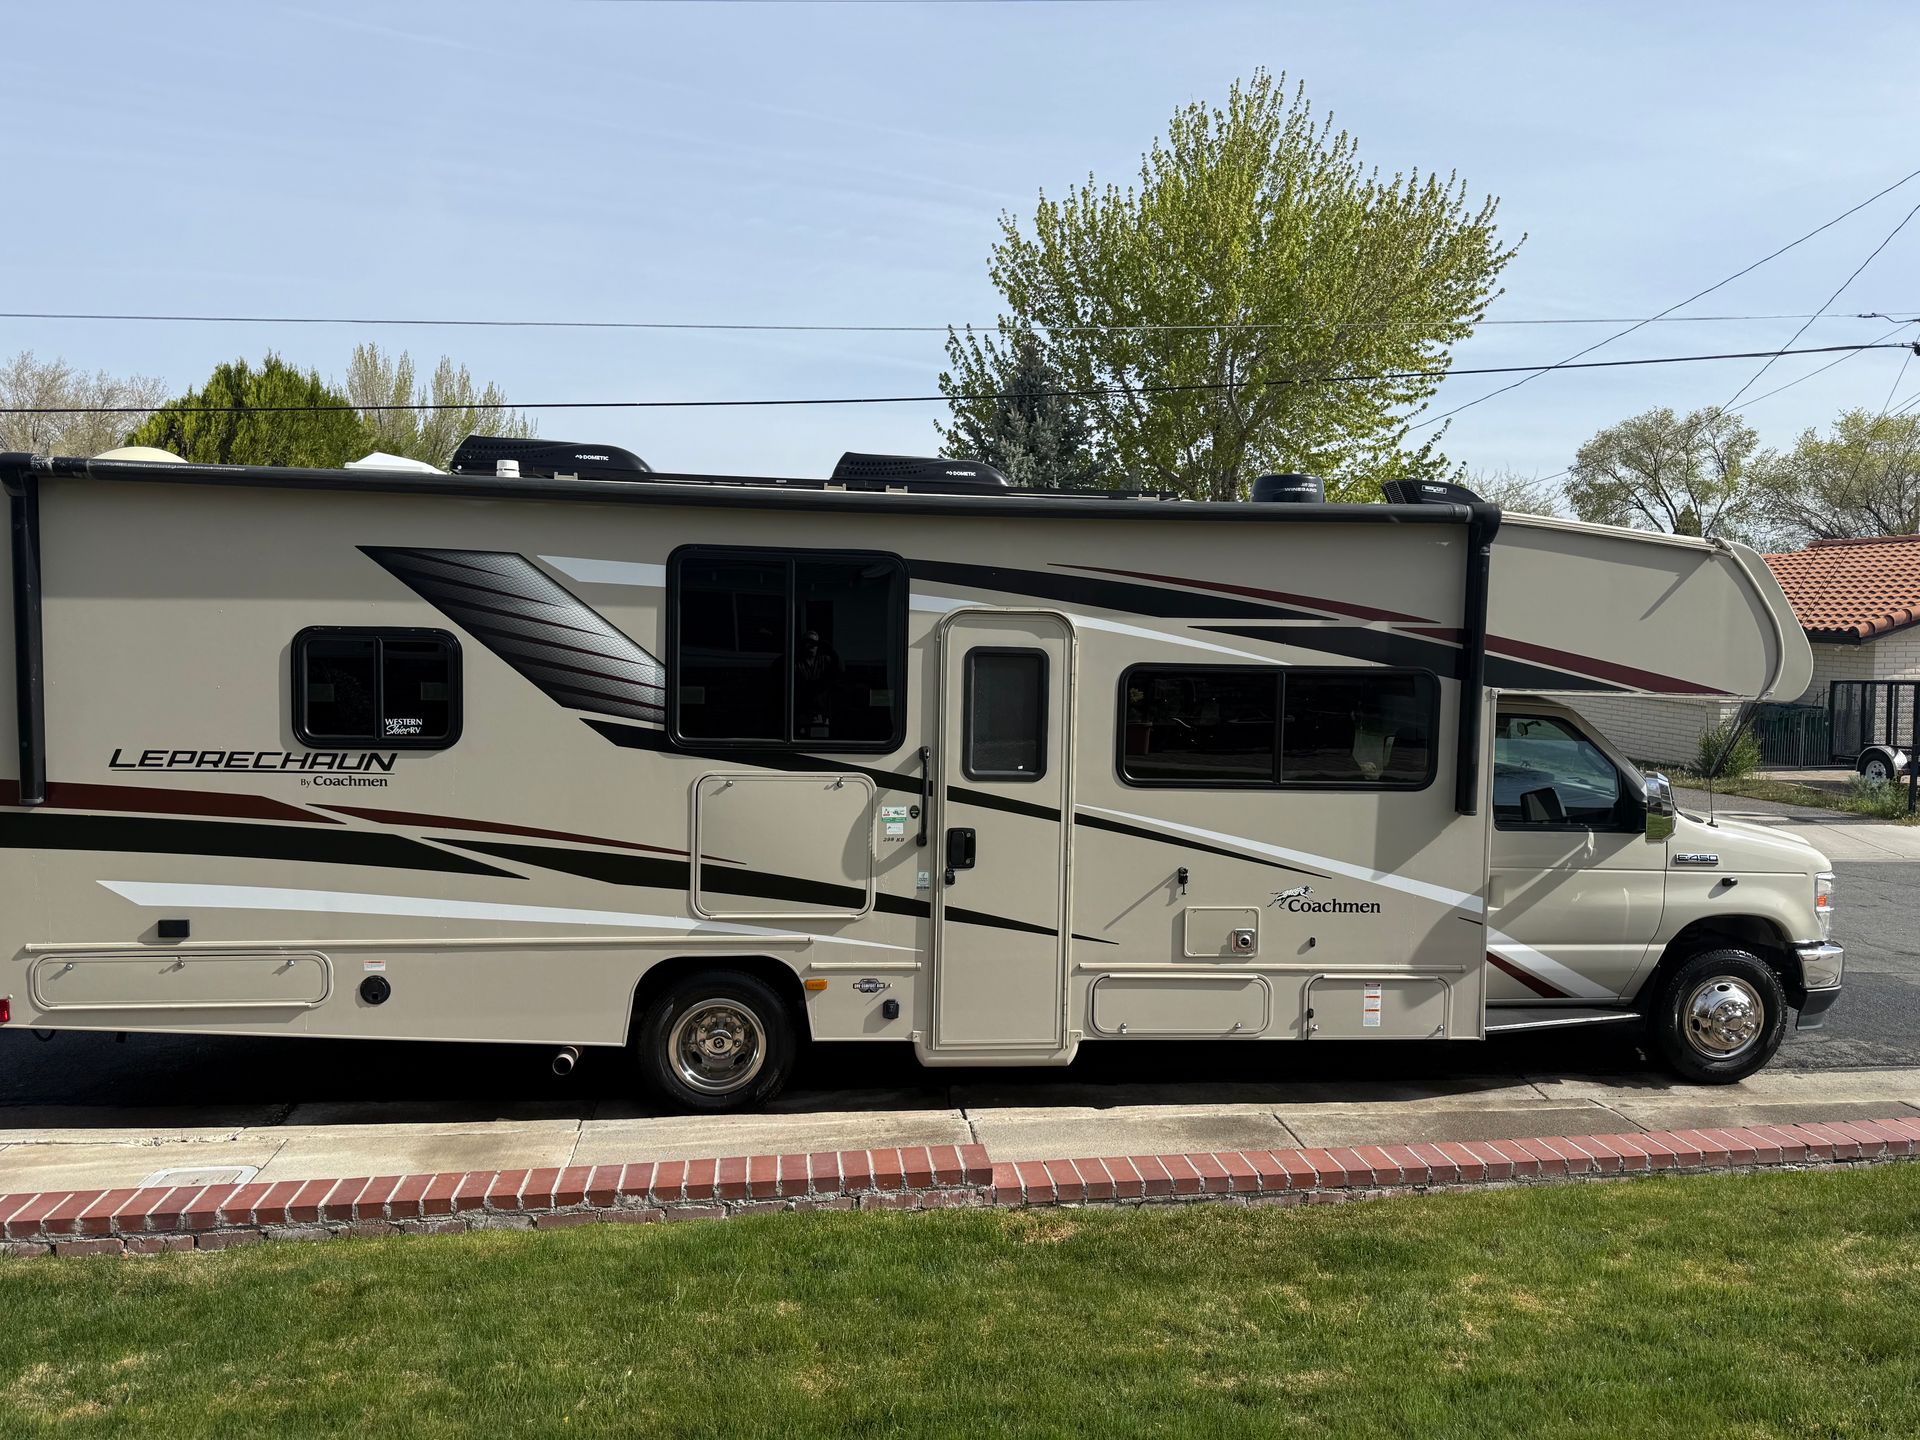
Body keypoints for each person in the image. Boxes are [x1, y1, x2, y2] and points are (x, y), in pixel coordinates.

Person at [795, 629, 841, 737]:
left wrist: (830, 649)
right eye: (808, 642)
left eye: (814, 643)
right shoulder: (796, 662)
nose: (811, 646)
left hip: (821, 709)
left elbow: (839, 669)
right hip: (802, 709)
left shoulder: (824, 660)